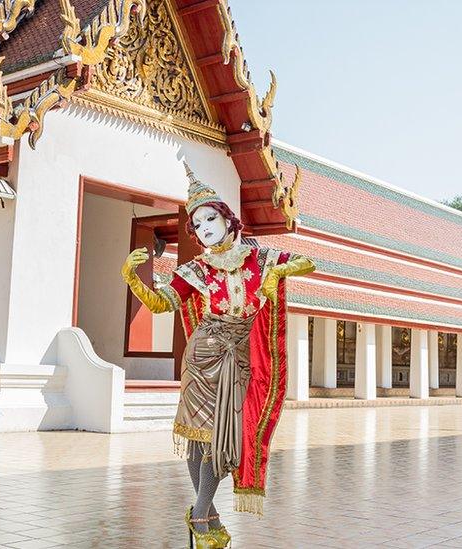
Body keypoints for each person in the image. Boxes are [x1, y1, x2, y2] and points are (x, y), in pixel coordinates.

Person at [120, 163, 315, 548]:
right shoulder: (196, 268)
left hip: (241, 355)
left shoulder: (258, 256)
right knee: (199, 440)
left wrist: (275, 275)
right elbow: (163, 303)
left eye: (211, 217)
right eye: (197, 223)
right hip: (203, 356)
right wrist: (131, 278)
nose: (205, 226)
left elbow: (307, 261)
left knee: (229, 438)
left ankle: (198, 513)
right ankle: (206, 519)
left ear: (227, 219)